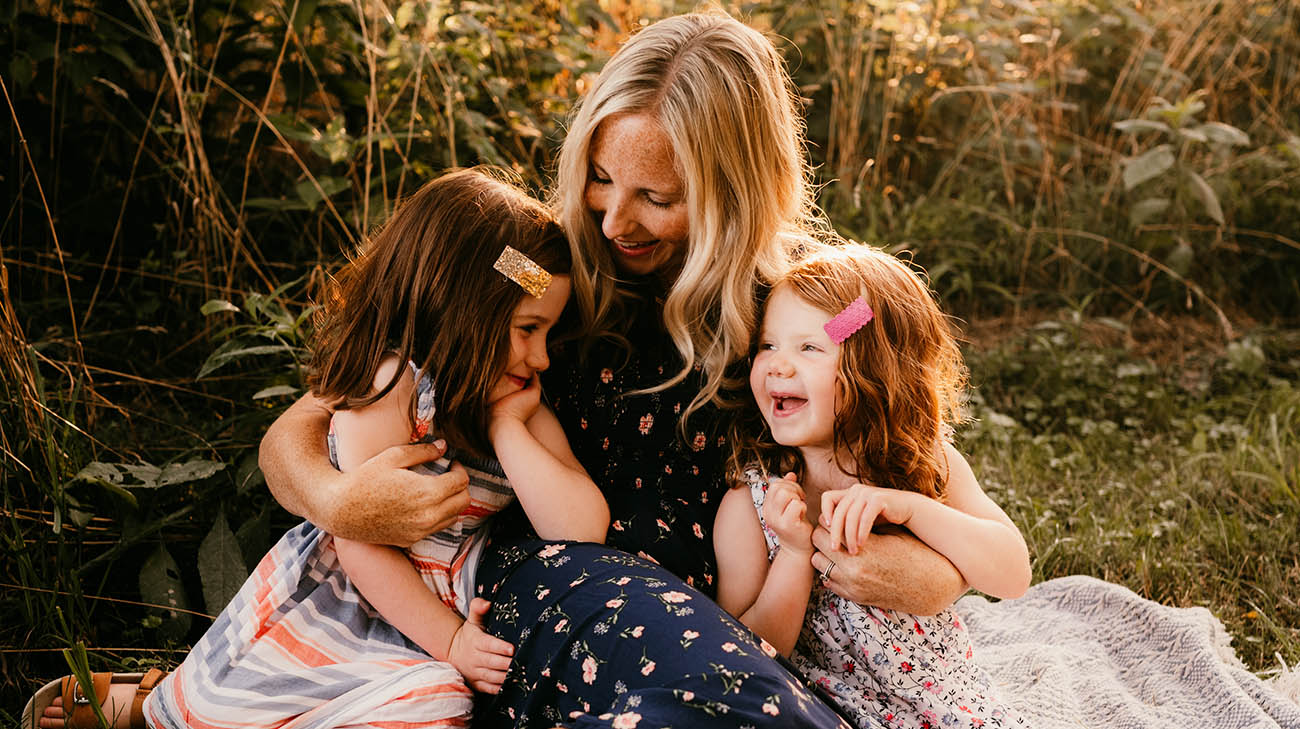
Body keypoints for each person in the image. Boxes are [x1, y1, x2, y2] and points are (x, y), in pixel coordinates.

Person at [46, 11, 967, 729]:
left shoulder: (796, 312)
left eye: (657, 196)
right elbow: (311, 416)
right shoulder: (544, 271)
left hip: (728, 609)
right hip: (558, 581)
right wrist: (340, 501)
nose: (614, 219)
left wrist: (859, 548)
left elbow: (919, 447)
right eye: (601, 177)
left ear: (736, 190)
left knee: (719, 687)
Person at [42, 168, 607, 729]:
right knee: (290, 706)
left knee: (428, 708)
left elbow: (581, 529)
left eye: (547, 333)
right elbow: (358, 536)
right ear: (463, 312)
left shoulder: (517, 403)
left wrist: (507, 429)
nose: (541, 358)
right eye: (526, 329)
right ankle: (151, 711)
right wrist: (451, 639)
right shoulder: (395, 390)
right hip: (351, 606)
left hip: (430, 621)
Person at [716, 243, 1031, 728]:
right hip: (827, 714)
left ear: (875, 370)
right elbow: (745, 653)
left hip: (945, 709)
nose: (778, 365)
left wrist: (913, 509)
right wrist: (795, 555)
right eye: (767, 345)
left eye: (809, 348)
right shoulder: (753, 504)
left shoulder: (926, 466)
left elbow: (1012, 575)